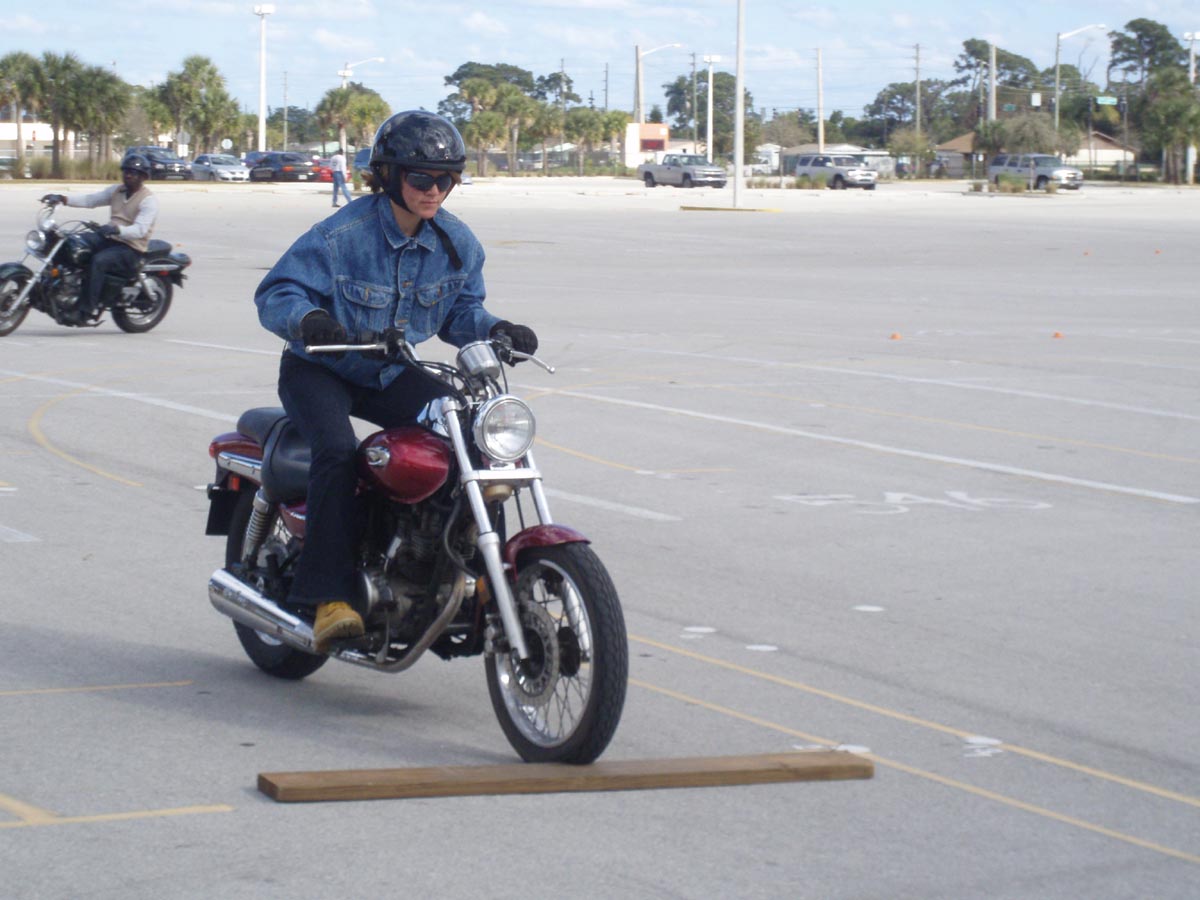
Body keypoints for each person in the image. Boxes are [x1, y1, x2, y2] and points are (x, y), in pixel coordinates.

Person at [254, 110, 538, 651]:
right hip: (320, 368)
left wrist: (497, 329)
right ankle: (327, 596)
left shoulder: (457, 242)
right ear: (387, 176)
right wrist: (310, 320)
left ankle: (475, 575)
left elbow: (461, 312)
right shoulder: (341, 235)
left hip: (390, 370)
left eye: (446, 180)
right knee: (337, 451)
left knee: (475, 438)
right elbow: (277, 293)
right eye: (421, 178)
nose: (434, 190)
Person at [41, 153, 158, 321]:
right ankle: (57, 287)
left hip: (131, 248)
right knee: (70, 244)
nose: (128, 175)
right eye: (126, 171)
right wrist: (62, 198)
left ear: (143, 177)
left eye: (134, 173)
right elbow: (90, 200)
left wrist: (117, 230)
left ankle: (85, 310)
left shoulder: (148, 200)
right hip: (110, 238)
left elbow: (140, 230)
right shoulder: (117, 190)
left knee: (99, 261)